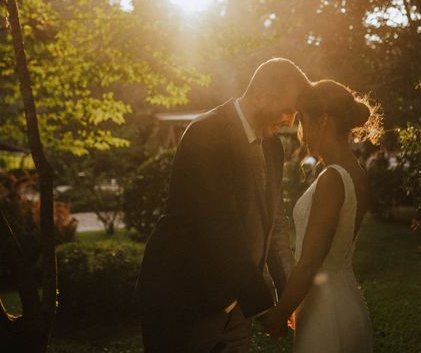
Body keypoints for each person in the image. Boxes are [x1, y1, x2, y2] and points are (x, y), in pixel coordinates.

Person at [136, 58, 311, 353]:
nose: (290, 122)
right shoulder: (206, 134)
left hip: (238, 310)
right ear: (260, 95)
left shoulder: (272, 147)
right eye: (287, 110)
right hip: (185, 300)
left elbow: (275, 222)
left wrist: (288, 296)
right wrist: (263, 307)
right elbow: (219, 226)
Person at [261, 79, 382, 352]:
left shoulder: (331, 179)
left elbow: (310, 261)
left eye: (303, 121)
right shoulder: (357, 173)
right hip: (346, 298)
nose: (300, 131)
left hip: (325, 311)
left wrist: (279, 314)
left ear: (323, 119)